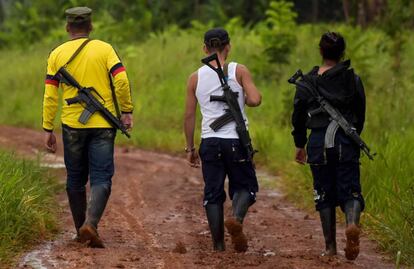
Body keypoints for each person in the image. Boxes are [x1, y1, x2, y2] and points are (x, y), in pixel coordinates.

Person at [42, 7, 133, 248]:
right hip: (103, 125)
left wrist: (47, 127)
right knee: (102, 177)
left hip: (72, 126)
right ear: (91, 26)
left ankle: (81, 228)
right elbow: (121, 80)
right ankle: (91, 224)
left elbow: (50, 95)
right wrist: (126, 110)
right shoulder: (105, 49)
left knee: (75, 179)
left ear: (67, 27)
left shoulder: (56, 54)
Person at [184, 28, 261, 252]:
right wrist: (246, 97)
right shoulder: (239, 70)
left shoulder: (195, 77)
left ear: (204, 48)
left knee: (213, 193)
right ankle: (236, 217)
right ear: (228, 46)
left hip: (210, 142)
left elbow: (189, 115)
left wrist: (190, 148)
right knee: (245, 187)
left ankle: (218, 246)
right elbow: (255, 100)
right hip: (236, 141)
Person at [291, 32, 366, 260]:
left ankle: (330, 248)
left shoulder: (306, 82)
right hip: (346, 141)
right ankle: (352, 223)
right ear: (342, 52)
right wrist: (353, 137)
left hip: (317, 143)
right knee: (350, 189)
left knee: (323, 193)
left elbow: (298, 116)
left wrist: (299, 144)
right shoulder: (353, 79)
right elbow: (360, 114)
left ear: (321, 51)